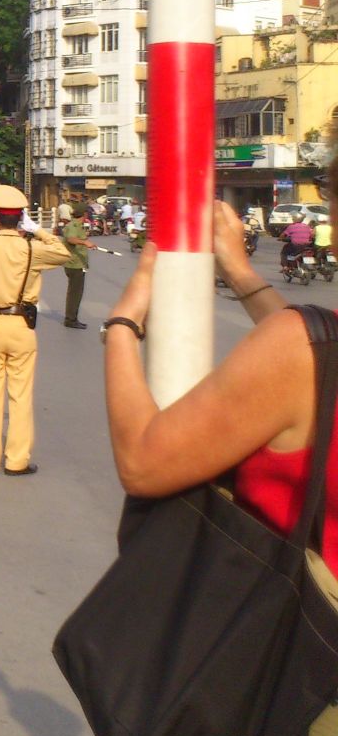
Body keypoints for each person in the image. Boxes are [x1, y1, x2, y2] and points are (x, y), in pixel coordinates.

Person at [102, 198, 333, 571]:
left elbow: (142, 464)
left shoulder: (299, 349)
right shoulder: (309, 350)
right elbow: (318, 353)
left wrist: (121, 326)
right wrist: (238, 272)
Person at [0, 184, 74, 475]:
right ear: (21, 218)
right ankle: (17, 461)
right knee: (21, 395)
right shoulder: (31, 249)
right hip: (23, 326)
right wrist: (38, 231)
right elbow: (63, 253)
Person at [59, 201, 101, 330]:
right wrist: (85, 242)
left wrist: (86, 243)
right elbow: (71, 239)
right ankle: (70, 319)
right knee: (75, 293)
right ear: (84, 213)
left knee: (77, 292)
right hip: (74, 265)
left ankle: (72, 318)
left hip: (79, 264)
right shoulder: (73, 226)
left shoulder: (79, 225)